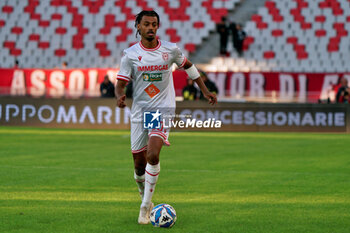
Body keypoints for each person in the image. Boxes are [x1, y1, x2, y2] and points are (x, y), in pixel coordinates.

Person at [115, 10, 217, 225]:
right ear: (138, 27)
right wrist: (120, 96)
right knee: (138, 165)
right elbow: (121, 83)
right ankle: (145, 198)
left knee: (153, 155)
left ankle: (144, 207)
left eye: (154, 24)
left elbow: (189, 66)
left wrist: (205, 90)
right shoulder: (130, 55)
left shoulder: (170, 50)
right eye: (147, 24)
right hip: (140, 110)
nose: (151, 27)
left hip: (161, 108)